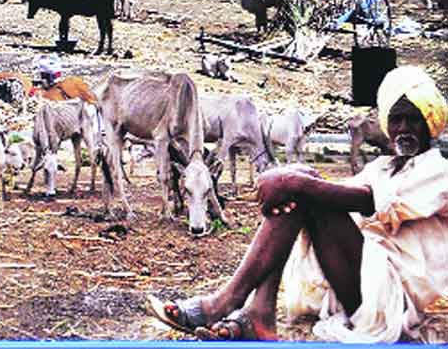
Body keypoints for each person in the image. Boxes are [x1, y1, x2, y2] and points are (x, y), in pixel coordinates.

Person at [148, 65, 448, 343]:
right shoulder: (382, 167)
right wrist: (291, 180)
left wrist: (293, 182)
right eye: (396, 119)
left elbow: (365, 200)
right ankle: (257, 310)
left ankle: (229, 303)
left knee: (305, 191)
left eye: (414, 119)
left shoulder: (438, 170)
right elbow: (335, 190)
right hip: (368, 286)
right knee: (302, 191)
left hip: (400, 301)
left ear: (430, 121)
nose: (404, 128)